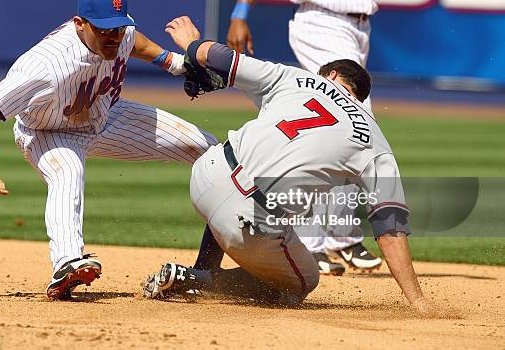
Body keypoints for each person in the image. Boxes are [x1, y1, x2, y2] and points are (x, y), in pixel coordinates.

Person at [143, 16, 432, 313]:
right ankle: (202, 280)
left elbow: (219, 57)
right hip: (248, 219)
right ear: (359, 99)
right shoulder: (374, 140)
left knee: (239, 173)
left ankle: (201, 270)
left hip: (207, 175)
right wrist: (417, 300)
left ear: (329, 75)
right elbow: (390, 229)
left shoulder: (293, 77)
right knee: (304, 281)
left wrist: (192, 43)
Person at [0, 0, 217, 300]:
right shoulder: (45, 67)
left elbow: (133, 42)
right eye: (104, 29)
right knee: (67, 171)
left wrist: (175, 63)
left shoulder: (119, 32)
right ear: (80, 24)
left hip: (106, 115)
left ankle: (221, 263)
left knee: (208, 149)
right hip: (49, 132)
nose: (113, 36)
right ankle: (67, 263)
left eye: (118, 27)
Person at [222, 0, 425, 274]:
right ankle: (328, 241)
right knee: (356, 126)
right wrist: (240, 14)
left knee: (339, 129)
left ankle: (335, 239)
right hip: (319, 20)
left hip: (359, 28)